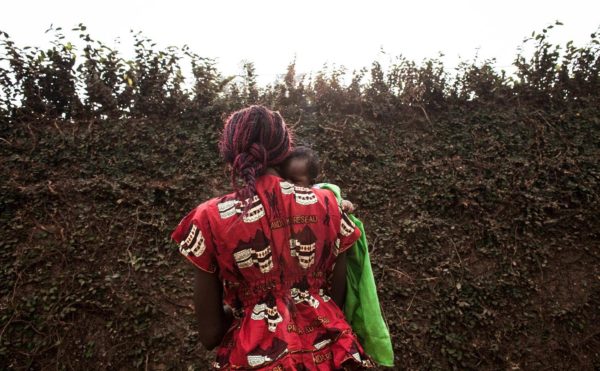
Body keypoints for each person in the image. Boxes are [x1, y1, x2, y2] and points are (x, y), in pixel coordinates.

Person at [171, 106, 373, 370]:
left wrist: (249, 307)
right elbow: (335, 300)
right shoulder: (329, 205)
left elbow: (210, 335)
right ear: (284, 149)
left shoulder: (209, 219)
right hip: (331, 356)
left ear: (232, 153)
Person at [280, 147, 395, 367]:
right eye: (285, 180)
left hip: (321, 294)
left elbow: (338, 203)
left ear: (311, 181)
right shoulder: (282, 206)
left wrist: (343, 205)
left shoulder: (323, 198)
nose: (289, 187)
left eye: (296, 181)